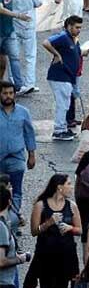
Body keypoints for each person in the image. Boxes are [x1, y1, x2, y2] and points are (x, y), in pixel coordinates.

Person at [29, 174, 82, 288]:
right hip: (45, 256)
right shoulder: (41, 205)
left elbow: (80, 230)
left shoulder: (72, 205)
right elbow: (34, 231)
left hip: (65, 256)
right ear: (59, 187)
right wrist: (49, 223)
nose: (71, 187)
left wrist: (70, 228)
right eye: (68, 184)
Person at [42, 15, 84, 141]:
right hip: (60, 76)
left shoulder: (72, 39)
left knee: (65, 103)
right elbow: (46, 42)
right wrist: (57, 54)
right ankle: (59, 130)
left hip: (67, 77)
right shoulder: (63, 36)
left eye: (80, 27)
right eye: (76, 27)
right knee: (62, 104)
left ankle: (63, 127)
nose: (79, 30)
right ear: (69, 26)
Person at [0, 81, 36, 220]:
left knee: (16, 191)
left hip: (17, 158)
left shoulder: (23, 112)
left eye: (11, 93)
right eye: (5, 93)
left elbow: (29, 134)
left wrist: (31, 154)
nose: (8, 96)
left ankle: (13, 219)